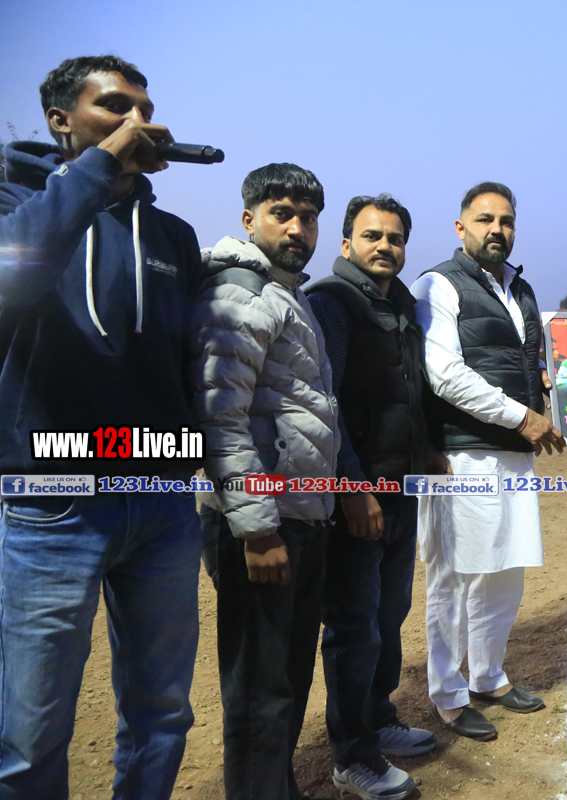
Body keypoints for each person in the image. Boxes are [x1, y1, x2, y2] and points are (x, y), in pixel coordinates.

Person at [0, 55, 204, 799]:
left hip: (161, 501)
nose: (136, 121)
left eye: (143, 109)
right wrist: (98, 168)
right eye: (115, 107)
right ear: (61, 120)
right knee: (31, 733)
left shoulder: (171, 234)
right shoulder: (16, 204)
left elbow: (190, 362)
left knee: (161, 714)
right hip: (53, 502)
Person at [191, 163, 339, 800]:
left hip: (299, 515)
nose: (298, 228)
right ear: (249, 218)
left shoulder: (285, 292)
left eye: (308, 217)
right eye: (283, 214)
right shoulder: (242, 292)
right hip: (263, 524)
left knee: (285, 680)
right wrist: (256, 529)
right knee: (259, 692)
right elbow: (219, 416)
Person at [412, 181, 563, 741]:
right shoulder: (436, 284)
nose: (496, 229)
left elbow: (521, 360)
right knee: (454, 578)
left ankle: (488, 675)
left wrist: (550, 384)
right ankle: (448, 695)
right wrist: (523, 416)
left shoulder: (520, 289)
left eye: (506, 221)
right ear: (461, 228)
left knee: (504, 573)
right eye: (484, 219)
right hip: (461, 453)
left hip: (512, 453)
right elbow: (445, 374)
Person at [307, 194, 439, 799]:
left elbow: (409, 392)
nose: (385, 245)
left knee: (389, 614)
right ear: (346, 244)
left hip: (402, 489)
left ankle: (379, 718)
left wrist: (426, 450)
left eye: (395, 237)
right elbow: (324, 402)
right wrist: (352, 487)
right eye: (372, 235)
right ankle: (352, 755)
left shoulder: (401, 305)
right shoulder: (332, 304)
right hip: (359, 496)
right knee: (354, 626)